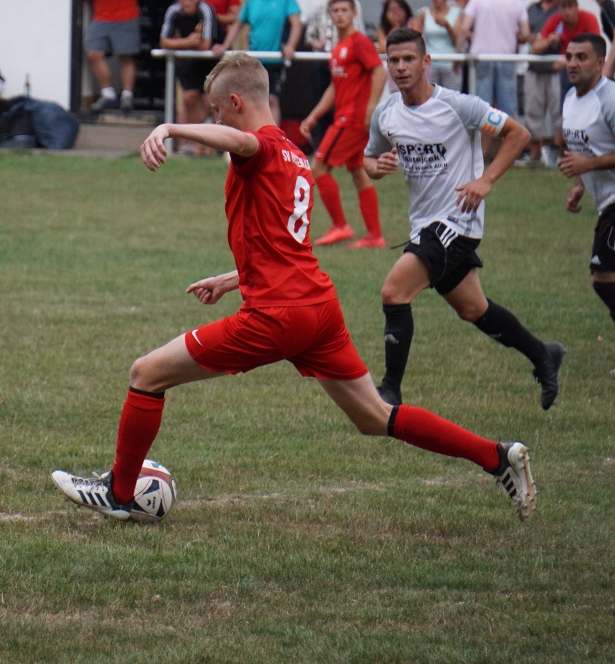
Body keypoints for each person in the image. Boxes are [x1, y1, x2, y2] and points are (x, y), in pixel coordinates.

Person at [51, 52, 539, 525]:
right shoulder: (295, 155)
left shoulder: (259, 144)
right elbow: (283, 244)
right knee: (374, 416)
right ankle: (497, 457)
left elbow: (238, 144)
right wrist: (233, 279)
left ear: (236, 104)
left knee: (146, 373)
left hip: (278, 316)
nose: (218, 121)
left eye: (219, 111)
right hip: (317, 307)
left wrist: (169, 127)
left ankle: (119, 492)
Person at [363, 28, 564, 411]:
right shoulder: (387, 112)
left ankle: (389, 391)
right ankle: (543, 354)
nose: (401, 67)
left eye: (409, 59)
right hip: (425, 224)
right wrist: (379, 165)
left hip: (458, 221)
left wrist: (486, 180)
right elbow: (368, 159)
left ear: (426, 63)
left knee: (394, 291)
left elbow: (517, 134)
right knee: (474, 309)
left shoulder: (459, 106)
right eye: (394, 60)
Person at [299, 0, 386, 248]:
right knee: (358, 172)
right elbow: (335, 88)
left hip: (352, 120)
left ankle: (341, 226)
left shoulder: (359, 41)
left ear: (354, 13)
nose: (339, 15)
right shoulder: (339, 47)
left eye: (344, 10)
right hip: (345, 117)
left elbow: (379, 71)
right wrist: (314, 116)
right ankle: (375, 236)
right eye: (335, 11)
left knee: (319, 168)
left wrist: (370, 107)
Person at [558, 34, 615, 327]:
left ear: (600, 63)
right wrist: (581, 183)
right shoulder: (570, 98)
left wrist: (588, 164)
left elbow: (590, 156)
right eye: (569, 56)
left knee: (603, 278)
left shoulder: (609, 99)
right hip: (606, 203)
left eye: (581, 57)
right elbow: (586, 147)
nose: (572, 63)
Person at [214, 0, 303, 126]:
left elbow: (296, 23)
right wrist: (224, 46)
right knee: (246, 100)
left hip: (274, 60)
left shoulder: (286, 1)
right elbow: (237, 24)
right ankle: (252, 136)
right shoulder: (251, 2)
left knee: (271, 100)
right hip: (253, 61)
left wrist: (291, 46)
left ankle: (273, 141)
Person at [457, 0, 531, 125]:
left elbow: (464, 28)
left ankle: (482, 143)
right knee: (508, 106)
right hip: (506, 57)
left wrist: (458, 52)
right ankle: (510, 139)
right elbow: (525, 33)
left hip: (481, 57)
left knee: (481, 107)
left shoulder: (477, 1)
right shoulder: (516, 3)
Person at [159, 0, 217, 154]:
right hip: (190, 59)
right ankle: (192, 141)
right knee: (188, 97)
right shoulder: (173, 11)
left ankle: (205, 144)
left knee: (209, 102)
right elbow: (164, 41)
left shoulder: (206, 10)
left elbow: (206, 45)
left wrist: (178, 43)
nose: (187, 3)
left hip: (211, 60)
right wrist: (187, 42)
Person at [532, 0, 600, 100]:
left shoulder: (589, 19)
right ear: (559, 8)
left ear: (577, 7)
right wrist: (548, 41)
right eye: (563, 8)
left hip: (586, 73)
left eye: (570, 7)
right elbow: (534, 50)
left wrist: (568, 61)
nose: (567, 12)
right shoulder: (555, 20)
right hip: (564, 75)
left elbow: (597, 47)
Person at [525, 0, 562, 167]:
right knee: (533, 110)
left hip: (556, 68)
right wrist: (530, 38)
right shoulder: (531, 9)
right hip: (534, 67)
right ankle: (534, 153)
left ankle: (558, 152)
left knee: (557, 112)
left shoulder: (562, 9)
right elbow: (521, 35)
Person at [85, 0, 139, 111]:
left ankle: (127, 96)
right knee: (93, 53)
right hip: (100, 16)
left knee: (126, 57)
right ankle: (108, 95)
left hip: (127, 15)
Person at [414, 0, 462, 91]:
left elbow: (458, 42)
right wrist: (420, 23)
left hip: (450, 64)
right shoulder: (424, 13)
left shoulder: (456, 13)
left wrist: (448, 27)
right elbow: (416, 38)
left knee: (451, 99)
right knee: (430, 98)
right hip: (431, 65)